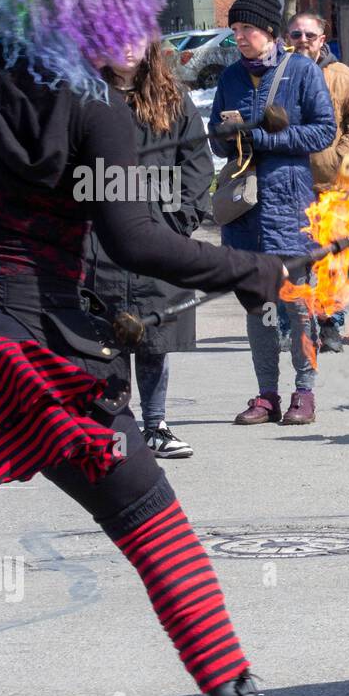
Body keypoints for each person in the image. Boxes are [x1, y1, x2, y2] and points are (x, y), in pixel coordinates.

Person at [0, 0, 321, 696]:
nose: (140, 39)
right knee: (154, 524)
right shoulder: (96, 107)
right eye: (127, 19)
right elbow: (139, 239)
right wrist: (254, 268)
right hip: (34, 353)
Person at [210, 0, 336, 423]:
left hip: (288, 204)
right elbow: (215, 135)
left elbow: (323, 133)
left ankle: (305, 392)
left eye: (246, 29)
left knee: (296, 302)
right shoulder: (229, 78)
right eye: (234, 30)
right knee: (257, 305)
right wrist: (227, 136)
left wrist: (265, 139)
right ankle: (266, 395)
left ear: (267, 30)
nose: (239, 37)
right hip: (245, 211)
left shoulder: (301, 71)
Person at [85, 36, 212, 459]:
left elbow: (195, 166)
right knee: (106, 337)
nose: (124, 47)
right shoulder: (83, 95)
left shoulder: (173, 100)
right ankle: (111, 427)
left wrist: (175, 226)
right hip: (97, 239)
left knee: (154, 335)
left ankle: (155, 423)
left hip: (158, 235)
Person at [287, 10, 349, 353]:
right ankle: (292, 323)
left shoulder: (344, 77)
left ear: (323, 39)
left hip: (331, 186)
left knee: (331, 262)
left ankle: (330, 325)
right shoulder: (278, 75)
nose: (303, 41)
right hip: (289, 183)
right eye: (296, 35)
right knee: (291, 258)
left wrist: (341, 156)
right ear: (287, 38)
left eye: (310, 35)